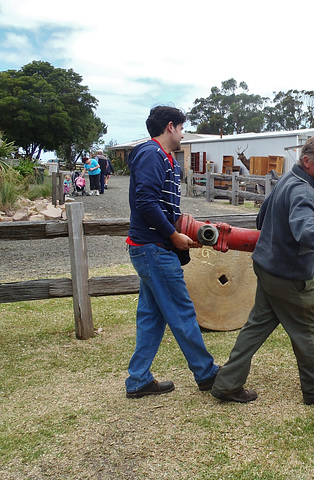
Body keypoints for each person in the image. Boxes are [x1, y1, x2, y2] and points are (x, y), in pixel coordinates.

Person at [211, 136, 314, 405]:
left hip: (267, 267)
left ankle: (228, 383)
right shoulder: (303, 191)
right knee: (307, 330)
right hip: (289, 274)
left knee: (256, 326)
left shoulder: (288, 181)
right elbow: (304, 228)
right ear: (307, 161)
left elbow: (261, 217)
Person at [125, 105, 219, 398]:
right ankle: (207, 374)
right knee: (181, 311)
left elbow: (162, 206)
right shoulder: (152, 155)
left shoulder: (162, 158)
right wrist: (172, 235)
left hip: (149, 247)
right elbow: (146, 203)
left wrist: (181, 229)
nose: (182, 133)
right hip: (154, 248)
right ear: (170, 127)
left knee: (151, 316)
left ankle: (138, 379)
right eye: (181, 128)